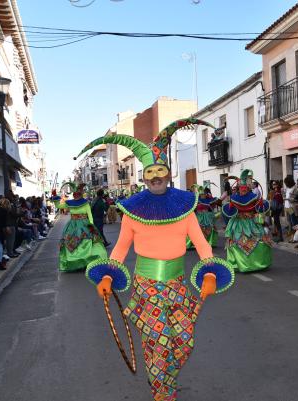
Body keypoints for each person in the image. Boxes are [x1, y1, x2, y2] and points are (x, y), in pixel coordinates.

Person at [80, 117, 234, 401]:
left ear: (168, 172)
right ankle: (163, 394)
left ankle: (165, 383)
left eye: (160, 170)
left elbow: (202, 244)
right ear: (144, 175)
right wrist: (107, 275)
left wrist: (210, 271)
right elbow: (120, 248)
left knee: (184, 343)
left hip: (177, 287)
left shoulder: (184, 207)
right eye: (149, 171)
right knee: (157, 345)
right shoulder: (132, 211)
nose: (155, 176)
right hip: (146, 288)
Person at [50, 182, 107, 272]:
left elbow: (90, 215)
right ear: (73, 194)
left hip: (84, 225)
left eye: (78, 194)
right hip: (72, 226)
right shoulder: (69, 203)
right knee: (71, 243)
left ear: (81, 194)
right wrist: (55, 197)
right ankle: (77, 263)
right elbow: (59, 206)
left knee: (87, 243)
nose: (76, 195)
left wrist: (91, 225)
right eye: (75, 194)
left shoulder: (85, 203)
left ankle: (87, 262)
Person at [222, 169, 272, 272]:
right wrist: (231, 207)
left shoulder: (253, 197)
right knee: (236, 242)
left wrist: (260, 205)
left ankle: (256, 263)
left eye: (245, 188)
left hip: (251, 222)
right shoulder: (234, 198)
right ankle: (237, 264)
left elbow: (259, 209)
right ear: (239, 188)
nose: (243, 190)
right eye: (241, 188)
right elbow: (229, 211)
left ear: (248, 188)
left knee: (259, 241)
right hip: (238, 223)